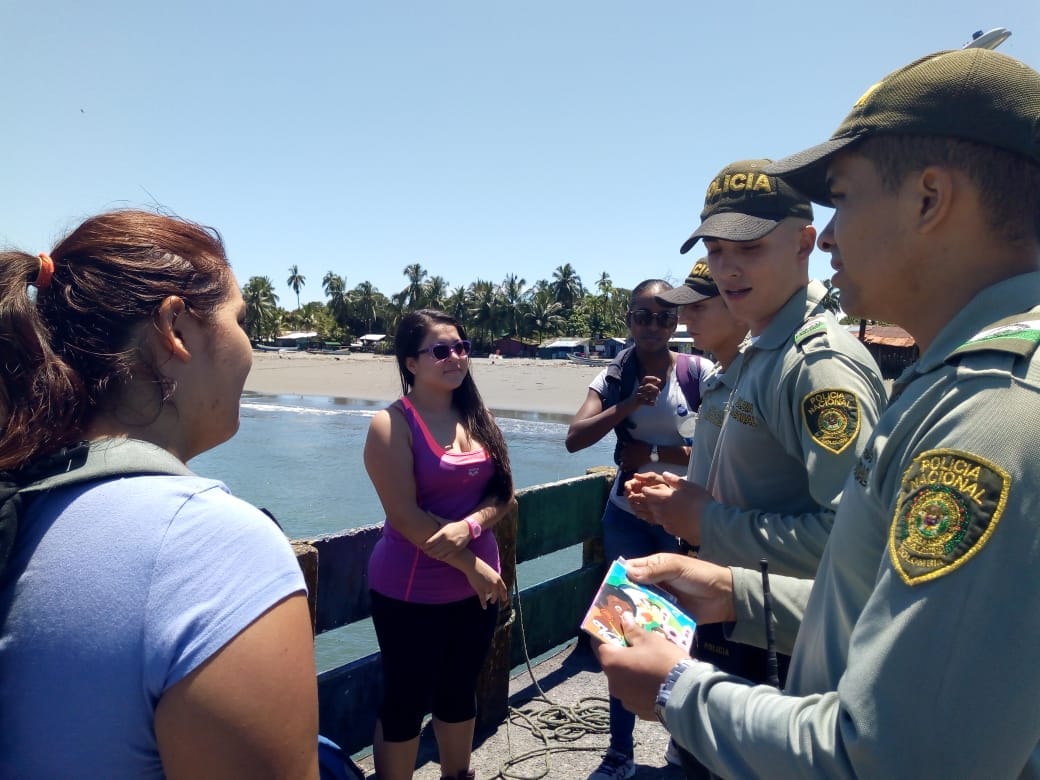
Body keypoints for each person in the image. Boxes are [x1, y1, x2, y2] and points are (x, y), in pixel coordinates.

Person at [596, 47, 1040, 777]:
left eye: (845, 198)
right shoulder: (953, 379)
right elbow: (889, 615)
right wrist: (732, 589)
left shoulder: (995, 409)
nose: (830, 234)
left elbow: (898, 757)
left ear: (930, 198)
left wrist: (679, 691)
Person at [0, 211, 318, 777]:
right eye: (239, 320)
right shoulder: (211, 548)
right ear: (174, 325)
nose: (249, 347)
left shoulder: (22, 493)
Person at [566, 279, 712, 780]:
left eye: (663, 318)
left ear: (677, 324)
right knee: (622, 635)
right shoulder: (615, 374)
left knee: (688, 632)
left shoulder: (698, 372)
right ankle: (619, 752)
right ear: (628, 319)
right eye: (642, 317)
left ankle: (684, 746)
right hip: (627, 519)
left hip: (682, 523)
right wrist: (627, 406)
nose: (652, 326)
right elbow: (574, 438)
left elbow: (721, 449)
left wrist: (654, 455)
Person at [364, 309, 514, 780]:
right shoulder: (391, 425)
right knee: (405, 699)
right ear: (411, 362)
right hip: (410, 588)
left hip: (476, 588)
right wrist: (473, 565)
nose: (456, 357)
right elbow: (405, 516)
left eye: (461, 347)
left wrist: (470, 528)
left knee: (458, 689)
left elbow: (503, 494)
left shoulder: (479, 416)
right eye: (441, 350)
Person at [627, 259, 749, 530]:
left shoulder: (761, 380)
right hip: (709, 543)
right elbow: (717, 472)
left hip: (738, 557)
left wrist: (705, 520)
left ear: (738, 307)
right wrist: (671, 491)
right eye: (684, 309)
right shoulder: (718, 380)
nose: (684, 319)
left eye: (698, 307)